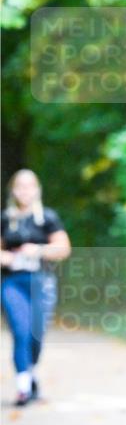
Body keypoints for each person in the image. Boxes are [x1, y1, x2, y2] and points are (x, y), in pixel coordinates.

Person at [1, 169, 71, 406]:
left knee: (36, 335)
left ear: (37, 189)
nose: (24, 191)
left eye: (29, 186)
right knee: (20, 331)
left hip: (41, 281)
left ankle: (30, 374)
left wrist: (39, 250)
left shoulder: (47, 218)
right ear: (13, 190)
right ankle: (23, 387)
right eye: (20, 186)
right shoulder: (5, 219)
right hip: (13, 283)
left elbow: (63, 249)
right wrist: (6, 258)